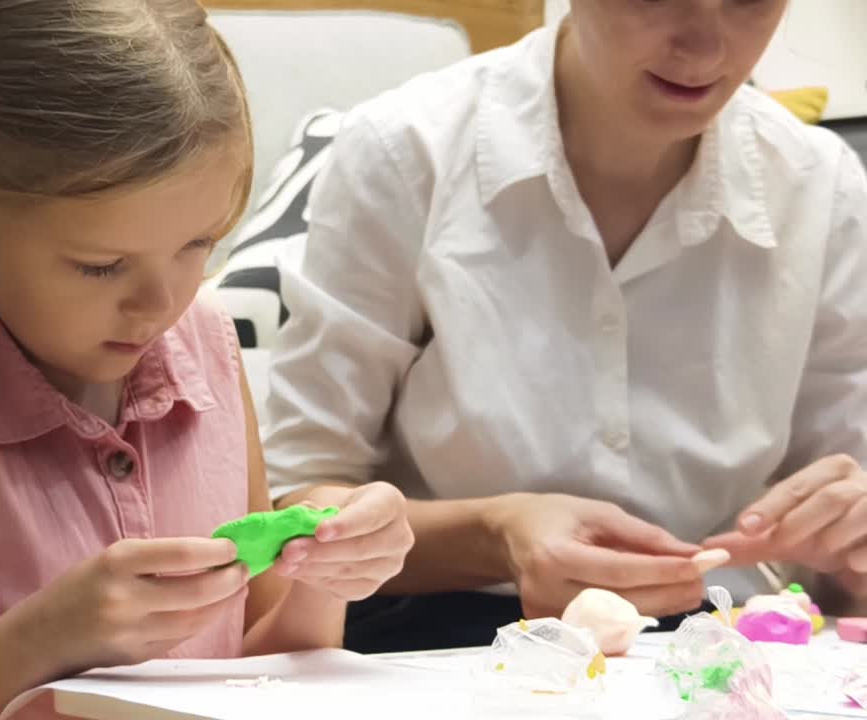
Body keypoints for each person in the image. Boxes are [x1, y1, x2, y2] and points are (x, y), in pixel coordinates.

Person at [0, 2, 414, 718]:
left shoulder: (207, 341)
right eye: (102, 266)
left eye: (199, 245)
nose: (160, 306)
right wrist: (37, 643)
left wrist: (326, 572)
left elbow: (261, 674)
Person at [264, 0, 867, 653]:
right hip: (436, 634)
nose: (704, 50)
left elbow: (842, 542)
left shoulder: (822, 186)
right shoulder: (404, 151)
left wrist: (848, 544)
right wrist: (496, 534)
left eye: (749, 0)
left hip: (727, 635)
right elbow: (297, 504)